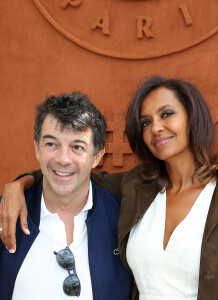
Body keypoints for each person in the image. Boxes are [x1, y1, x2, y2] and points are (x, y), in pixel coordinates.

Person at [0, 76, 218, 299]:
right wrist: (18, 186)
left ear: (192, 117)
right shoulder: (137, 187)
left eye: (167, 114)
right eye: (146, 122)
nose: (155, 127)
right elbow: (71, 172)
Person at [0, 92, 132, 299]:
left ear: (97, 156)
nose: (63, 159)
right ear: (37, 148)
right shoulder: (5, 214)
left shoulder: (123, 221)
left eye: (77, 147)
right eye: (51, 144)